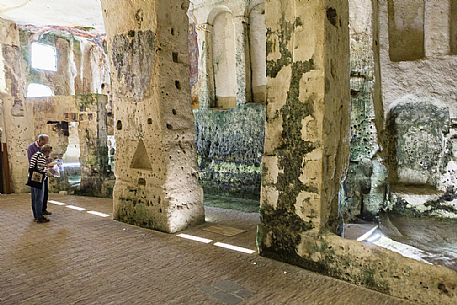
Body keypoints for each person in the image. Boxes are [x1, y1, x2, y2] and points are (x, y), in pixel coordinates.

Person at [27, 134, 52, 216]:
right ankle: (39, 216)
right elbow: (40, 169)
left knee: (36, 197)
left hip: (33, 176)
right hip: (37, 177)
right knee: (39, 198)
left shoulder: (37, 154)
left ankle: (37, 214)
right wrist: (49, 170)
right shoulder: (40, 155)